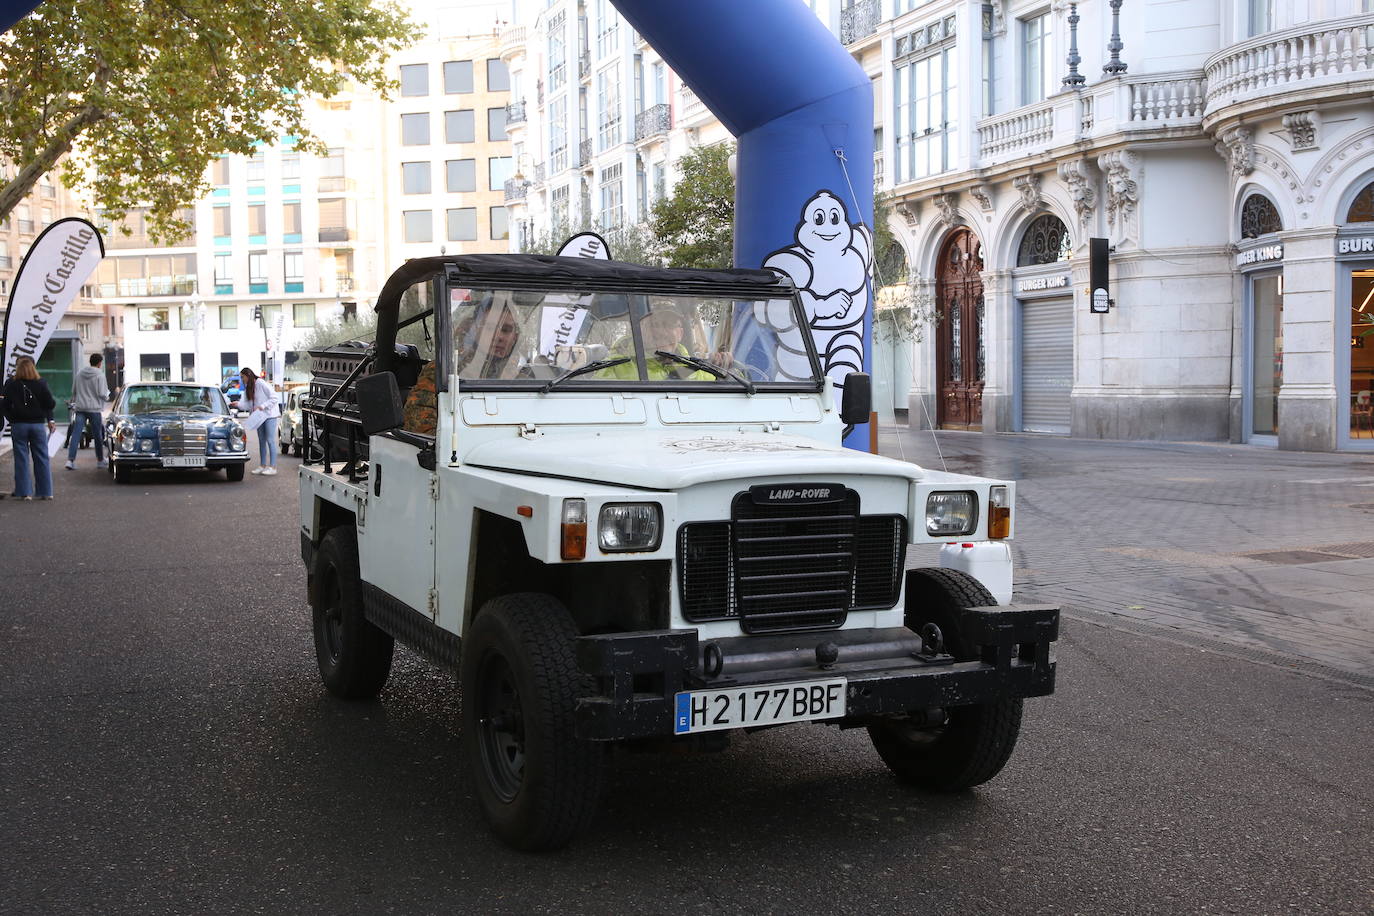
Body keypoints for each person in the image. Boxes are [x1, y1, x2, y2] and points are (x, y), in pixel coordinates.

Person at [598, 307, 718, 381]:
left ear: (680, 333)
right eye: (653, 324)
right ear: (640, 331)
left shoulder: (697, 368)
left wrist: (725, 364)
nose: (660, 332)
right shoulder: (613, 368)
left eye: (669, 324)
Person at [1, 356, 58, 500]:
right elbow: (50, 403)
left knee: (21, 459)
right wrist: (48, 418)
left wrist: (11, 418)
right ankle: (46, 492)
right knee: (42, 458)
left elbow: (4, 405)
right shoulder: (41, 383)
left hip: (19, 425)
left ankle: (25, 492)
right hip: (38, 425)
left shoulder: (11, 384)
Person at [65, 353, 109, 470]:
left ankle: (70, 460)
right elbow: (102, 393)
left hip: (80, 408)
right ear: (100, 363)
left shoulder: (79, 374)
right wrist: (107, 397)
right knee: (97, 435)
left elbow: (74, 391)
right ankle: (100, 460)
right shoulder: (100, 375)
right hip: (94, 409)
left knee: (76, 434)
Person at [239, 366, 281, 475]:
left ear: (248, 375)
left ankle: (273, 467)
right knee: (262, 440)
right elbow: (248, 404)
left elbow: (274, 397)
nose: (242, 379)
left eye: (243, 377)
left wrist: (263, 406)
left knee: (270, 440)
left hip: (270, 415)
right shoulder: (249, 387)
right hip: (259, 417)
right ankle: (262, 465)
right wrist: (237, 404)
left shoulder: (261, 383)